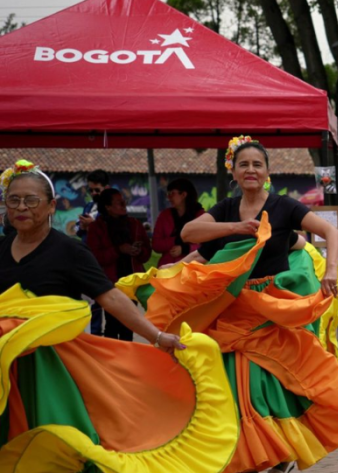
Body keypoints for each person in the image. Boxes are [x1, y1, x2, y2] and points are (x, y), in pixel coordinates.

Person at [0, 161, 244, 472]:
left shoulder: (69, 251)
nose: (21, 207)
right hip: (5, 369)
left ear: (50, 206)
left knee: (57, 441)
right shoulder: (1, 249)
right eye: (14, 200)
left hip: (54, 368)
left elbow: (112, 297)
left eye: (31, 200)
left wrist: (156, 336)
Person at [176, 136, 338, 473]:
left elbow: (331, 233)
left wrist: (330, 271)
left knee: (269, 382)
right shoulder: (227, 208)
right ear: (232, 170)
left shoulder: (284, 206)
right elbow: (190, 233)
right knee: (239, 382)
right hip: (233, 308)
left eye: (256, 164)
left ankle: (281, 451)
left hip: (273, 308)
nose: (250, 170)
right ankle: (254, 452)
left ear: (267, 171)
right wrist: (235, 227)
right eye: (243, 164)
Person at [87, 188, 152, 341]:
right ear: (108, 207)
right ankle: (112, 358)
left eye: (124, 202)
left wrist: (138, 251)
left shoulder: (135, 224)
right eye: (119, 203)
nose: (124, 205)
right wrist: (119, 250)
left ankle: (127, 356)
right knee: (112, 322)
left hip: (131, 281)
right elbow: (95, 257)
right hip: (109, 282)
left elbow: (147, 253)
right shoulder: (97, 227)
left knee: (129, 323)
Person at [77, 168, 110, 335]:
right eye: (91, 190)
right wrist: (83, 226)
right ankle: (94, 334)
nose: (94, 193)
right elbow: (78, 231)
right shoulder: (89, 206)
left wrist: (94, 224)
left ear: (106, 188)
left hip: (107, 260)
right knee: (92, 299)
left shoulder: (113, 208)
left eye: (97, 190)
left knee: (109, 301)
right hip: (88, 257)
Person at [152, 178, 204, 264]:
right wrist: (175, 240)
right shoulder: (164, 216)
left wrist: (185, 249)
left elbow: (207, 245)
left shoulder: (201, 216)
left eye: (172, 194)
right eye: (168, 194)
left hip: (193, 268)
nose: (168, 198)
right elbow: (156, 245)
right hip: (167, 268)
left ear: (183, 194)